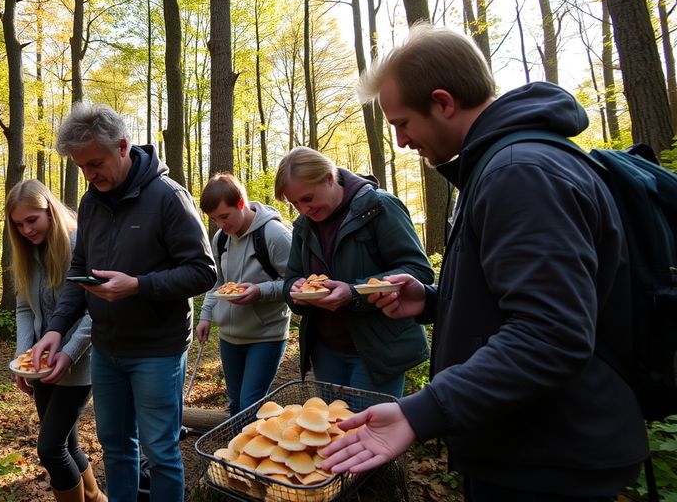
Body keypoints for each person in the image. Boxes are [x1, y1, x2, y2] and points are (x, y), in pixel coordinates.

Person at [320, 25, 648, 500]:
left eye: (403, 122)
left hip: (547, 457)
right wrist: (432, 300)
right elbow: (520, 300)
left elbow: (551, 332)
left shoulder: (520, 172)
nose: (402, 141)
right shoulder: (502, 164)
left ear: (443, 101)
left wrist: (422, 411)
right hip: (525, 442)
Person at [30, 102, 216, 501]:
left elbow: (203, 271)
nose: (89, 174)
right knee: (115, 446)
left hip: (157, 349)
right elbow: (79, 272)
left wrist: (138, 285)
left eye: (95, 163)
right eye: (81, 167)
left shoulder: (168, 197)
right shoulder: (92, 201)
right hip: (106, 349)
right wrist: (55, 330)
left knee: (161, 451)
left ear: (122, 147)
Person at [275, 146, 433, 397]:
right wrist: (295, 291)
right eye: (295, 204)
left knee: (367, 433)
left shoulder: (379, 207)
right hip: (326, 350)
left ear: (329, 178)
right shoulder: (303, 226)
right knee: (331, 431)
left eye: (307, 198)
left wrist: (353, 293)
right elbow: (292, 277)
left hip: (377, 350)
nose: (304, 209)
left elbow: (419, 272)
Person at [5, 179, 106, 502]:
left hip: (79, 363)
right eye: (18, 224)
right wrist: (23, 357)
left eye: (32, 220)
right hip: (40, 366)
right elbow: (24, 308)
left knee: (49, 449)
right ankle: (95, 498)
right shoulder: (28, 252)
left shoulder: (79, 244)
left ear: (50, 210)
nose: (26, 230)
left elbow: (95, 310)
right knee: (67, 444)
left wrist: (71, 352)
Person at [196, 173, 292, 416]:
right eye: (214, 219)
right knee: (235, 404)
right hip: (230, 336)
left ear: (241, 203)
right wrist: (206, 316)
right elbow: (218, 282)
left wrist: (260, 291)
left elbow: (295, 284)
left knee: (251, 405)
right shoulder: (220, 239)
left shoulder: (274, 234)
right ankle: (237, 453)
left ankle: (252, 453)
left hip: (266, 336)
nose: (221, 225)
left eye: (224, 216)